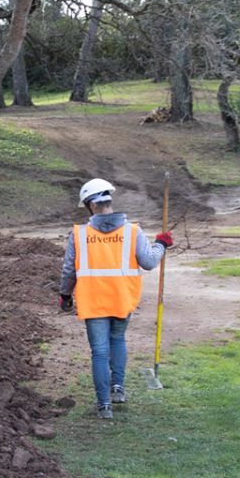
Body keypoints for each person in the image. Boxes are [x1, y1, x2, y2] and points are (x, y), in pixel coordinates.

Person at [60, 178, 172, 419]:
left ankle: (104, 406)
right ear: (109, 202)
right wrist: (161, 245)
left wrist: (64, 296)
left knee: (99, 353)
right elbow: (150, 261)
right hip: (122, 299)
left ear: (91, 206)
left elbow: (69, 270)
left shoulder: (79, 234)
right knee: (118, 339)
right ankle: (118, 389)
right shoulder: (133, 231)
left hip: (93, 301)